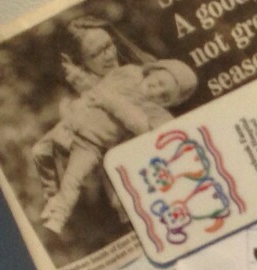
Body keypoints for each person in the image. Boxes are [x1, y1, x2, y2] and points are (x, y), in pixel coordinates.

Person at [31, 55, 197, 233]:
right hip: (72, 124)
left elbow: (142, 125)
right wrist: (77, 81)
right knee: (39, 151)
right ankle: (52, 196)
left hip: (92, 144)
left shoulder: (153, 111)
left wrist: (110, 101)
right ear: (152, 71)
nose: (156, 91)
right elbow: (99, 86)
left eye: (164, 96)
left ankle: (58, 217)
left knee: (73, 180)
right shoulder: (129, 75)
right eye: (160, 82)